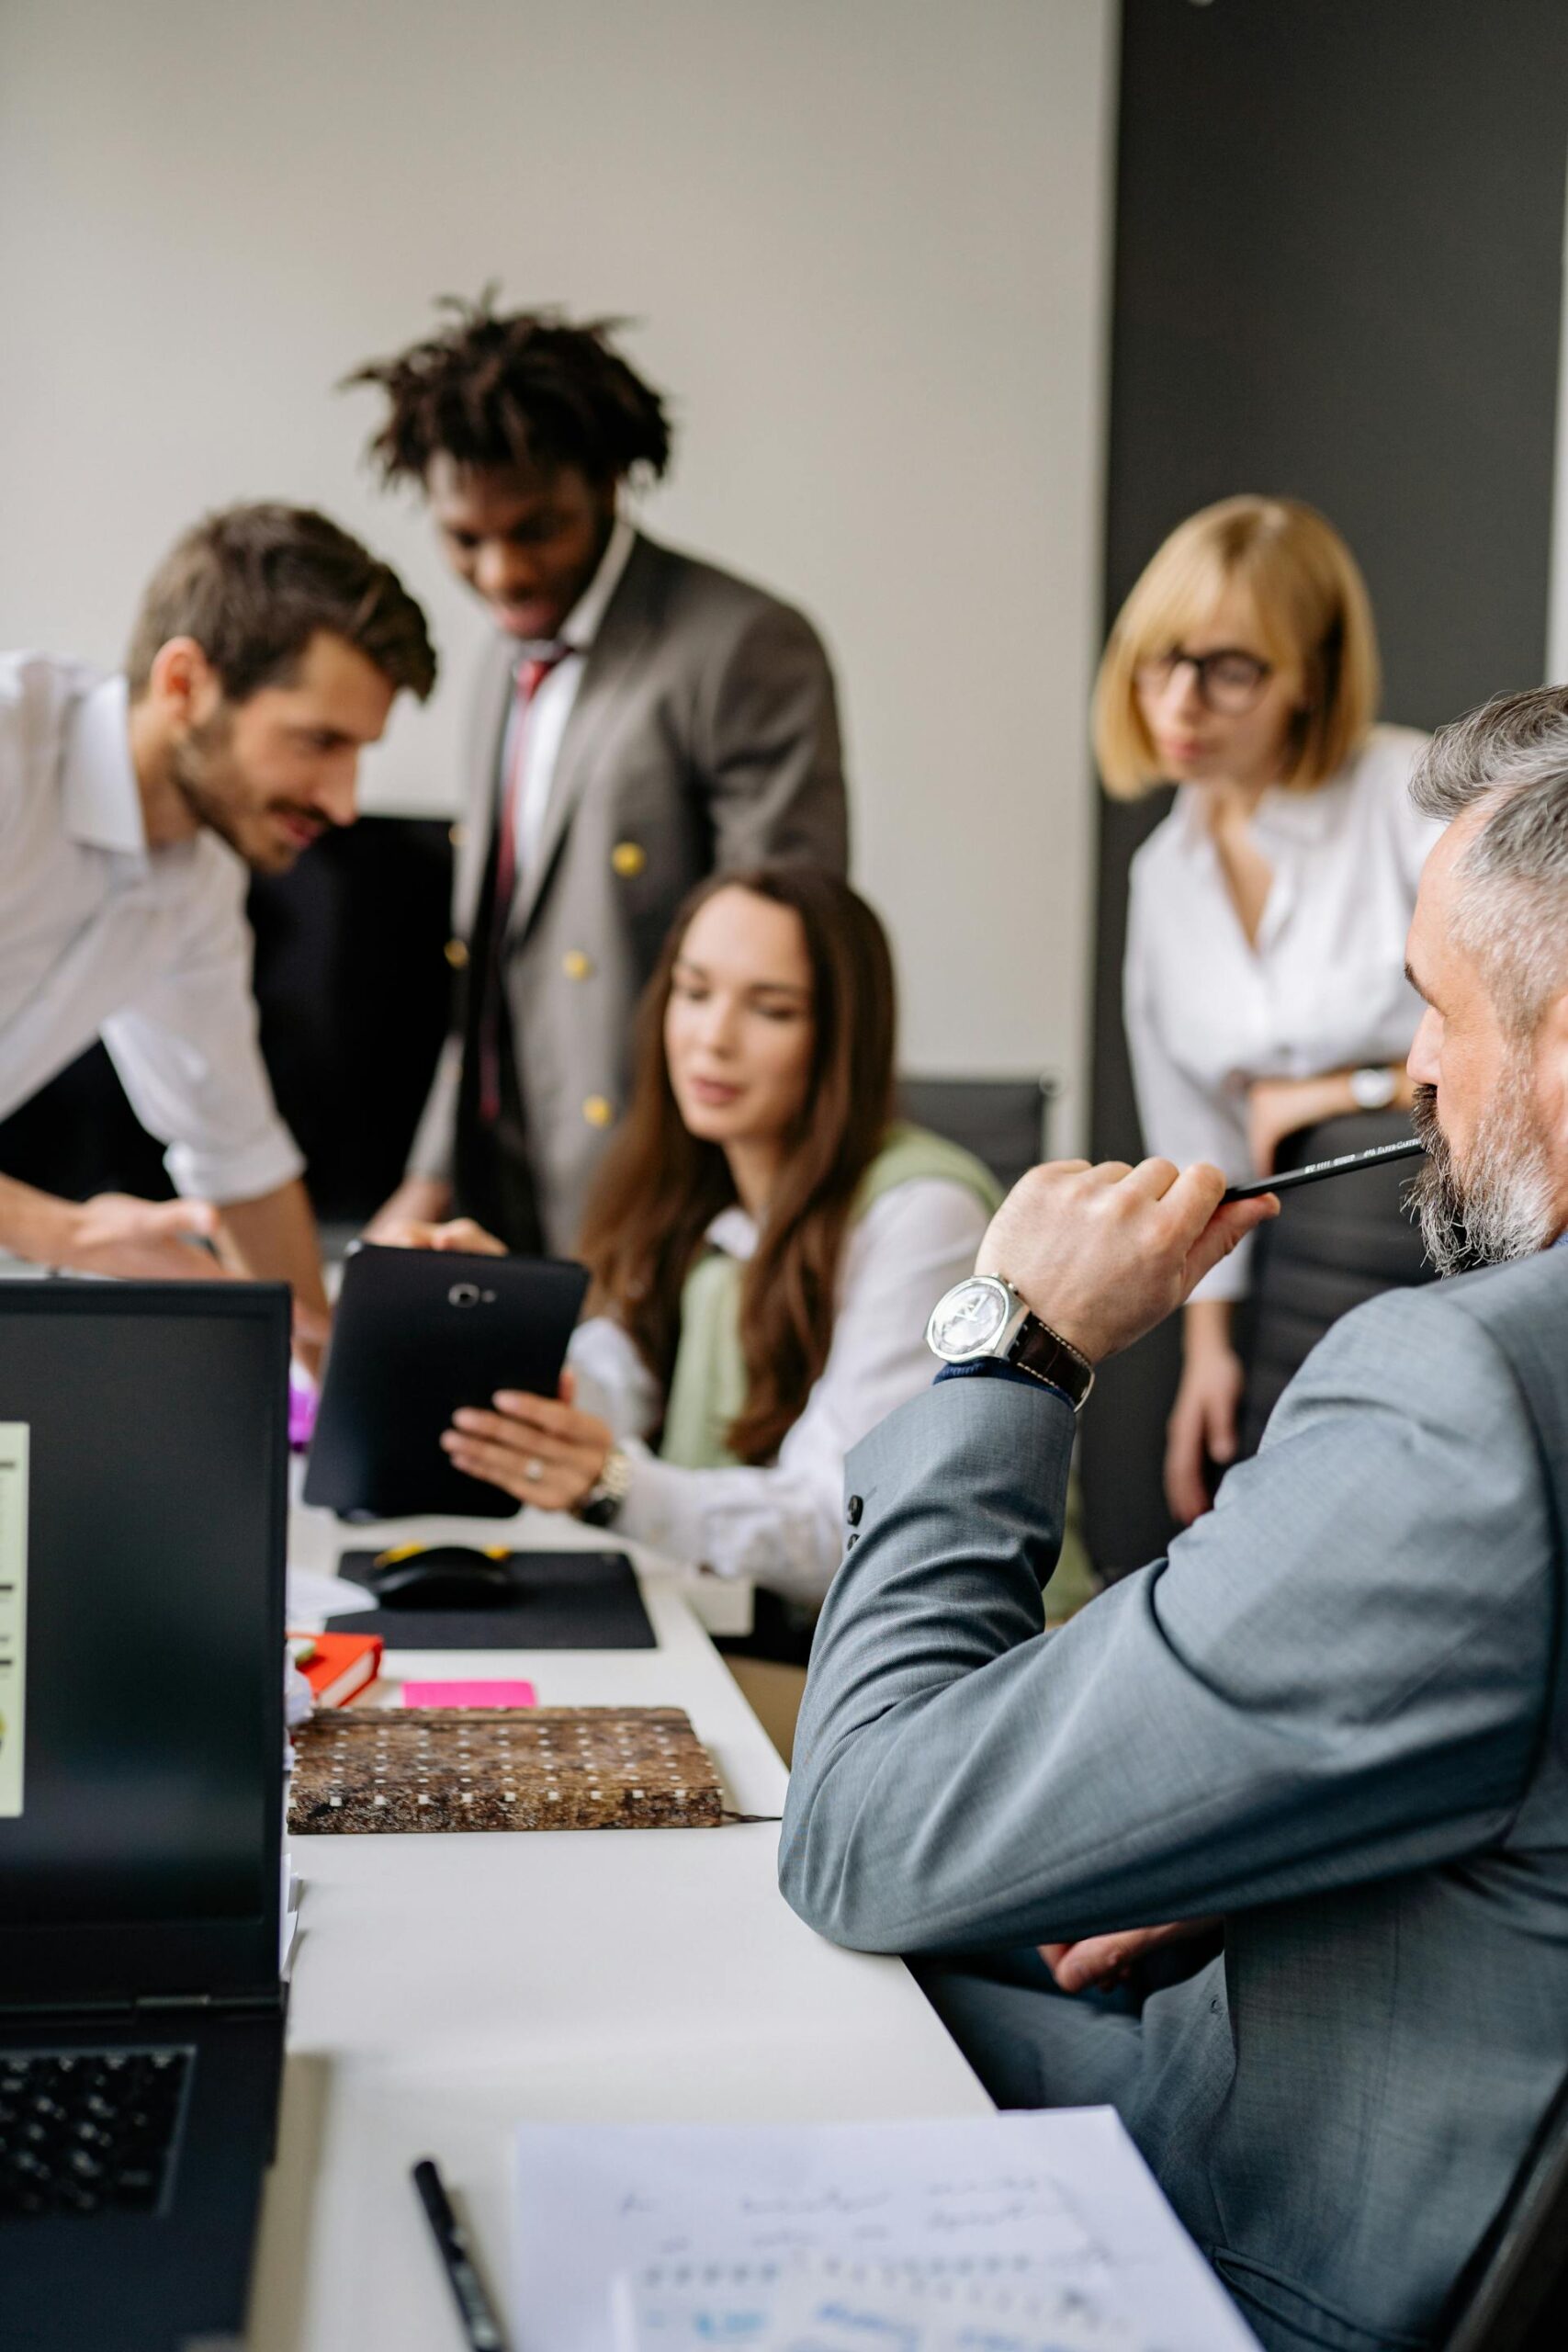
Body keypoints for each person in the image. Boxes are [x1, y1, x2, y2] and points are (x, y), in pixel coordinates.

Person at [778, 684, 1568, 2352]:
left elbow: (861, 1832)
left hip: (1263, 2250)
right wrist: (1265, 1854)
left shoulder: (1465, 1404)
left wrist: (1017, 1347)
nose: (1415, 1071)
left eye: (1436, 1010)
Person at [348, 299, 849, 1259]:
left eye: (538, 528)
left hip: (661, 1197)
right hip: (500, 1187)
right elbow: (494, 957)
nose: (500, 573)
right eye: (464, 539)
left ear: (612, 485)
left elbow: (783, 958)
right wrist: (428, 1174)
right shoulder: (502, 662)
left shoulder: (744, 645)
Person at [0, 503, 436, 1359]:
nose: (343, 802)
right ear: (185, 683)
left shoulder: (197, 887)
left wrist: (339, 1378)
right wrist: (67, 1234)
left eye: (359, 755)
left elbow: (237, 1155)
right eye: (318, 742)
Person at [1095, 496, 1439, 1521]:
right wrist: (1208, 1357)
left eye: (1231, 667)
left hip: (1431, 1240)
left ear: (1311, 678)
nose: (1183, 702)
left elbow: (1529, 1017)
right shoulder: (1166, 871)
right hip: (1279, 1263)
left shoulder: (1411, 791)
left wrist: (1348, 1088)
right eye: (1162, 659)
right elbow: (1194, 1128)